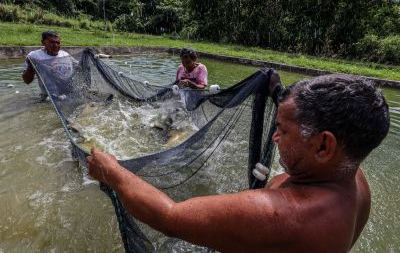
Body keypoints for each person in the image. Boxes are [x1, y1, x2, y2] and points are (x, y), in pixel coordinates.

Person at [86, 73, 390, 253]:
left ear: (324, 145)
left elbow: (167, 217)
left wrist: (111, 171)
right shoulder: (354, 179)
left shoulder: (282, 216)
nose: (274, 138)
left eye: (282, 130)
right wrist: (277, 93)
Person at [22, 31, 73, 97]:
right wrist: (30, 66)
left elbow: (76, 71)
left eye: (58, 43)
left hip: (68, 94)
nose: (56, 45)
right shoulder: (35, 56)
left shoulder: (65, 54)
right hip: (49, 97)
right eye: (52, 42)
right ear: (43, 42)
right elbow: (27, 81)